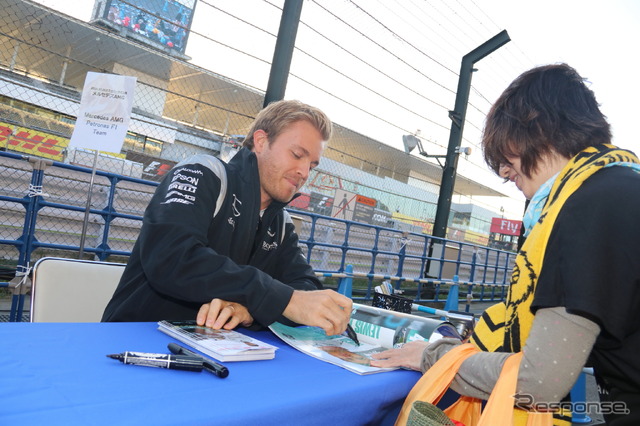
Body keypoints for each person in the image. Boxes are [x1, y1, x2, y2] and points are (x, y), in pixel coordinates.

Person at [371, 64, 640, 425]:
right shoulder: (622, 190)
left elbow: (540, 381)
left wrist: (436, 358)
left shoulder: (590, 206)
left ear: (539, 127)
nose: (502, 171)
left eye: (507, 152)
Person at [102, 99, 352, 338]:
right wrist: (272, 298)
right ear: (262, 142)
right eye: (297, 154)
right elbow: (172, 257)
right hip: (136, 337)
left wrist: (249, 309)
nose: (304, 172)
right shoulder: (203, 172)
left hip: (214, 353)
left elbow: (306, 287)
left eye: (312, 165)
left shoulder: (281, 223)